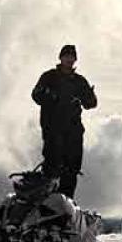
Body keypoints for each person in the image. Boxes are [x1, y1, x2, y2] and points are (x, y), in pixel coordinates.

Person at [32, 44, 98, 198]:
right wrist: (51, 96)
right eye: (66, 56)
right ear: (60, 58)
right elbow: (36, 95)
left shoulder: (79, 81)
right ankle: (46, 205)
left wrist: (89, 96)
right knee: (51, 168)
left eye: (72, 56)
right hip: (53, 130)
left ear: (75, 59)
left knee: (71, 170)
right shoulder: (49, 77)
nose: (69, 59)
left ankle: (65, 206)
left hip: (73, 132)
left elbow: (91, 104)